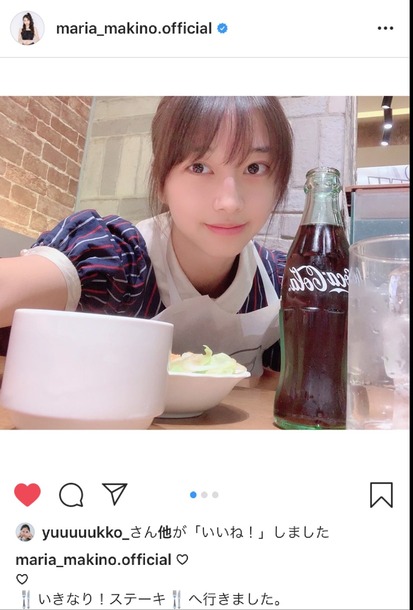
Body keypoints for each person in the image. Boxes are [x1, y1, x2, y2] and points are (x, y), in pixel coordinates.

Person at [0, 97, 293, 376]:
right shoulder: (117, 260)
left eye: (254, 168)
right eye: (199, 167)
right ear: (161, 181)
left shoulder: (284, 284)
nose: (229, 202)